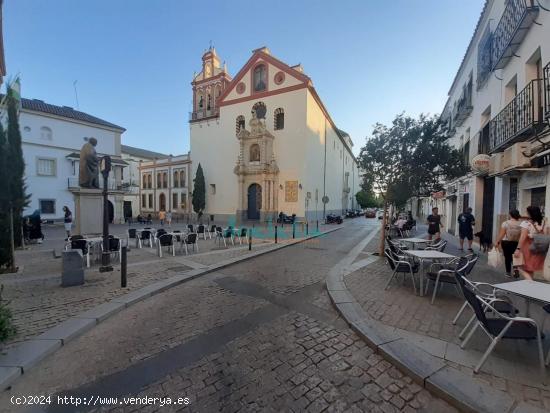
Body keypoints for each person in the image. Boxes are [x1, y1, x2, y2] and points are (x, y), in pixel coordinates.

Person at [514, 206, 547, 280]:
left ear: (529, 213)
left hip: (527, 247)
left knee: (518, 266)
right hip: (538, 247)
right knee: (529, 269)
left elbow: (523, 237)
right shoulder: (543, 222)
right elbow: (546, 234)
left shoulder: (526, 223)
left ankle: (530, 282)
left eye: (527, 212)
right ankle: (528, 286)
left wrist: (518, 249)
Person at [495, 209, 522, 278]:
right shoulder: (521, 224)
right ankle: (515, 268)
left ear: (510, 215)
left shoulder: (505, 223)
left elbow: (502, 234)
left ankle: (508, 272)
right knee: (515, 257)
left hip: (506, 242)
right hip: (516, 242)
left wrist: (497, 242)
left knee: (507, 257)